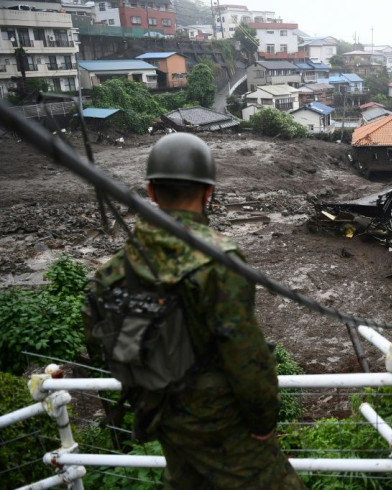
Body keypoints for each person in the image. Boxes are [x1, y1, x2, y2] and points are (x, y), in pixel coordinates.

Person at [84, 133, 304, 489]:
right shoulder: (219, 260)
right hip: (223, 423)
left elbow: (101, 339)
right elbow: (246, 357)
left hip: (162, 416)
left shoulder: (117, 267)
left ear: (151, 191)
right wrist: (263, 422)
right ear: (208, 192)